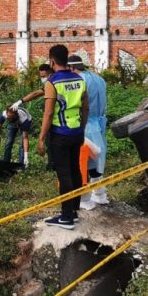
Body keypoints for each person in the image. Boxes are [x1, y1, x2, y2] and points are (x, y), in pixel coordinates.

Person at [37, 45, 88, 230]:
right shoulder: (79, 79)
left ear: (52, 61)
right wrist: (82, 129)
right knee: (75, 170)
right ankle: (73, 211)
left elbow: (49, 113)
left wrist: (41, 138)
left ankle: (66, 218)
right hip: (76, 132)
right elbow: (85, 108)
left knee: (64, 174)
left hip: (60, 134)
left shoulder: (52, 82)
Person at [67, 54, 108, 210]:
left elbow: (76, 105)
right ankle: (101, 195)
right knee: (97, 161)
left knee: (83, 162)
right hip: (99, 124)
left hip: (84, 125)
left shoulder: (78, 81)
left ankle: (84, 200)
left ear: (72, 68)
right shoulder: (99, 79)